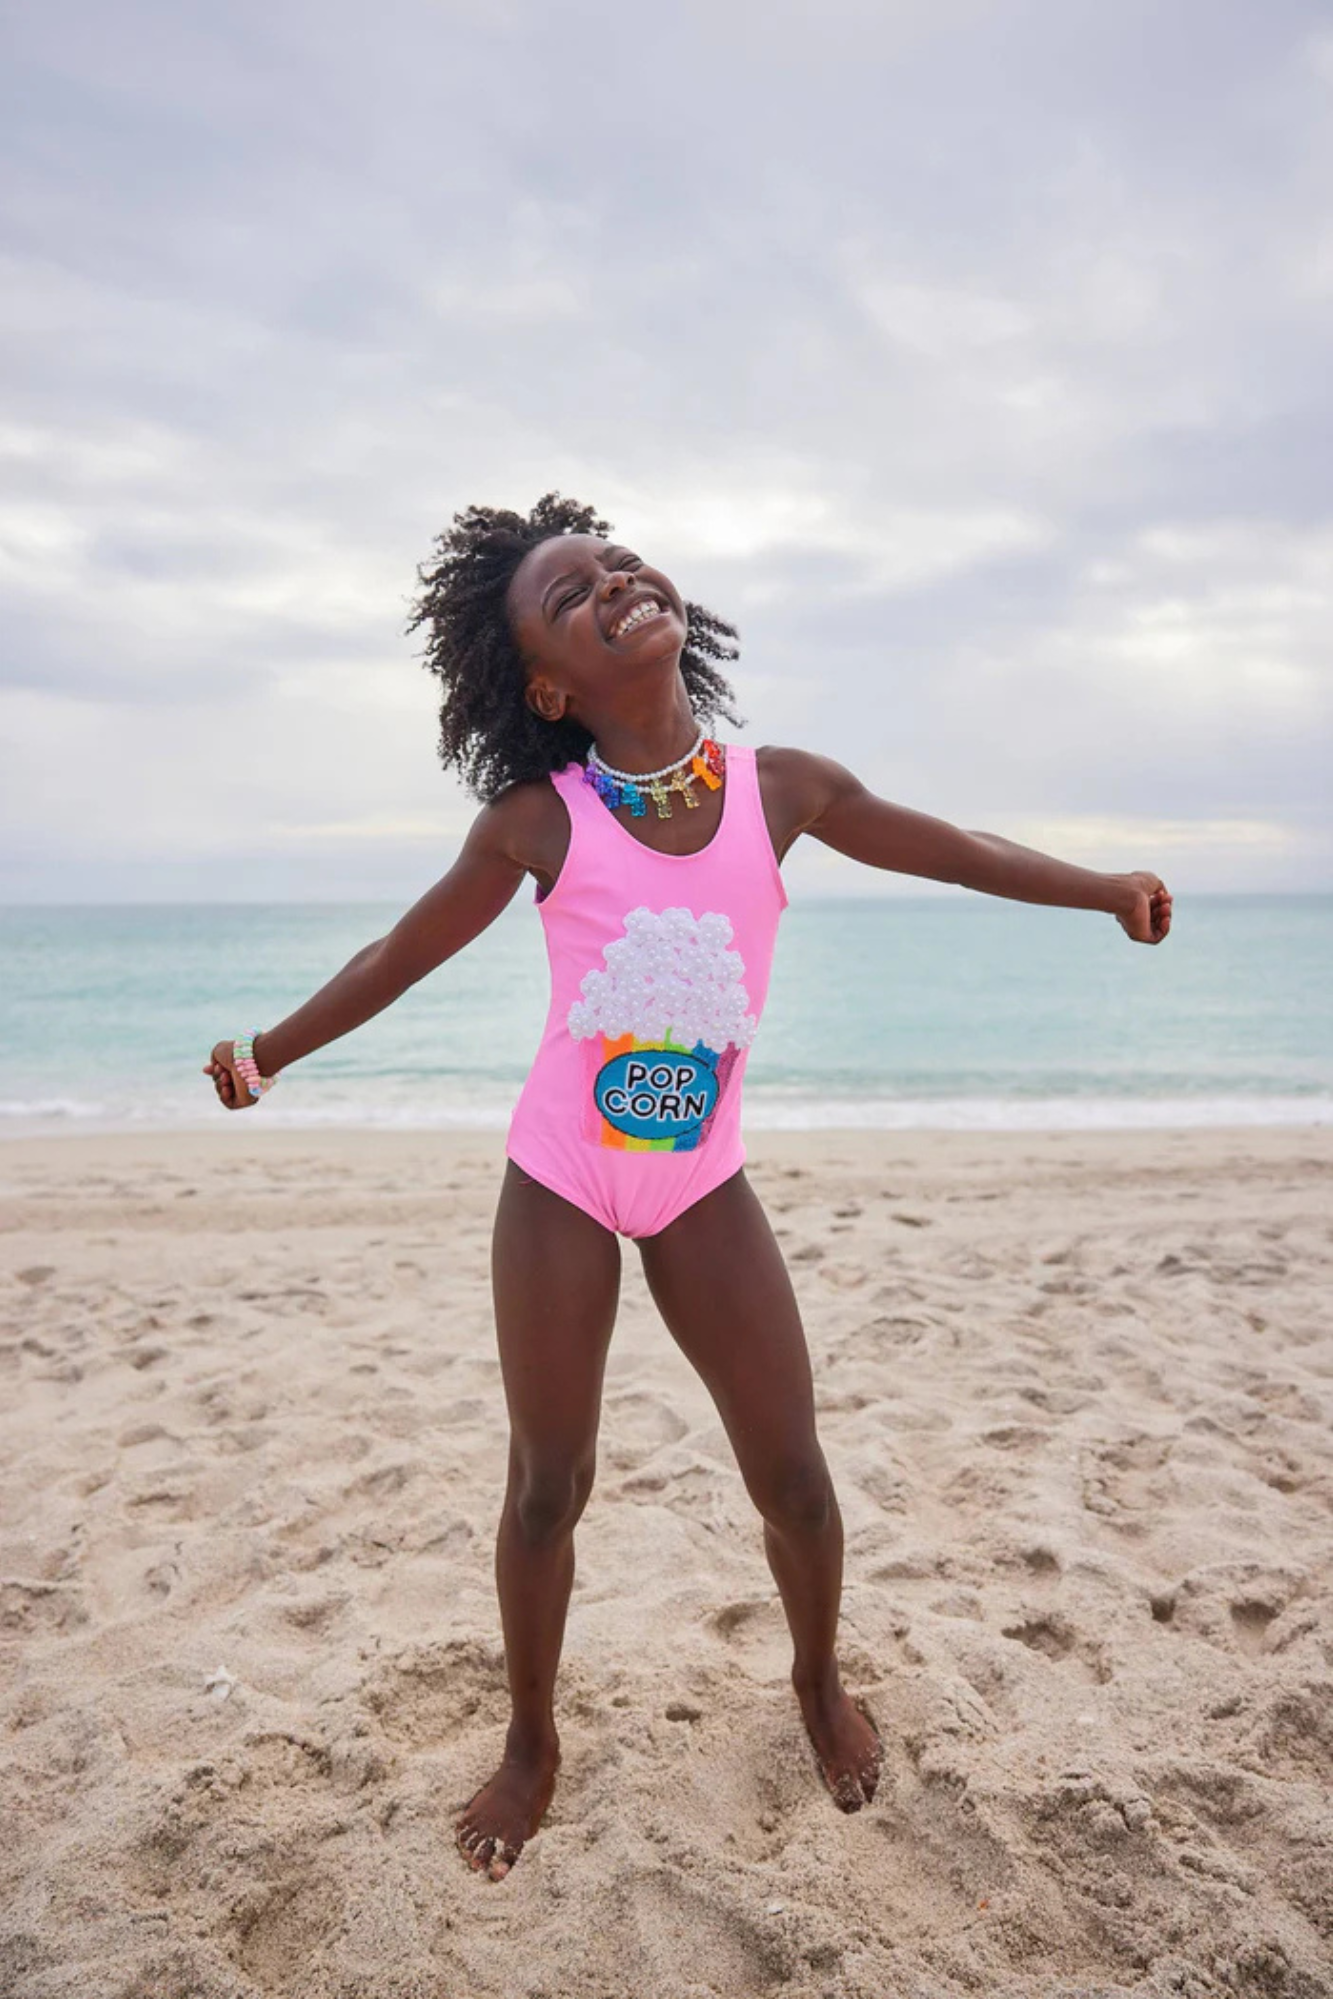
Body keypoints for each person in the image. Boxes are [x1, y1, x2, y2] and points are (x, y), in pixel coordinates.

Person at [204, 491, 1172, 1883]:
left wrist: (1104, 889)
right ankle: (531, 1742)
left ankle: (816, 1682)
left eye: (617, 563)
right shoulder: (538, 823)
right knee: (549, 1487)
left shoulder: (783, 790)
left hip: (700, 1181)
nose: (613, 582)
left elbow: (955, 852)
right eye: (571, 594)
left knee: (796, 1477)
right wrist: (268, 1055)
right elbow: (398, 957)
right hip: (562, 1178)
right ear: (549, 686)